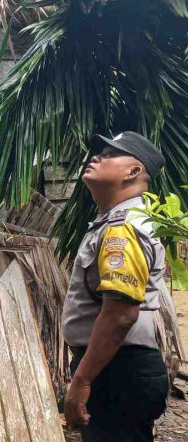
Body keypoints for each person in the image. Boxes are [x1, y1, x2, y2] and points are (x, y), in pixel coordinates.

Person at [62, 132, 172, 441]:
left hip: (116, 370)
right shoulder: (116, 222)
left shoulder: (122, 229)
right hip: (116, 367)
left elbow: (120, 315)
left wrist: (83, 380)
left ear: (134, 172)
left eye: (110, 154)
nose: (96, 157)